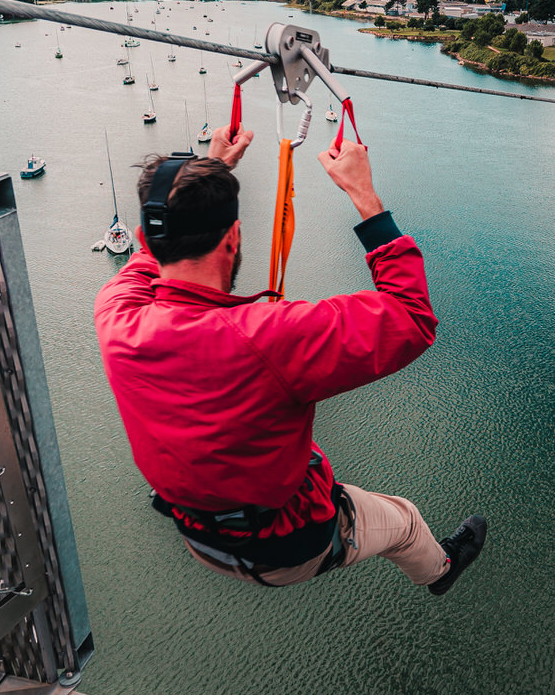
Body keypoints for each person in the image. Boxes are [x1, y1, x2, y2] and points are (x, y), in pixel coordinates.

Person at [95, 123, 487, 593]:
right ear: (234, 238)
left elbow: (146, 257)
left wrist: (211, 169)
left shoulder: (117, 316)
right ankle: (441, 571)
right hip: (287, 547)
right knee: (403, 521)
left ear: (146, 234)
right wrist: (363, 192)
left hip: (200, 536)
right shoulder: (269, 338)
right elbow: (411, 316)